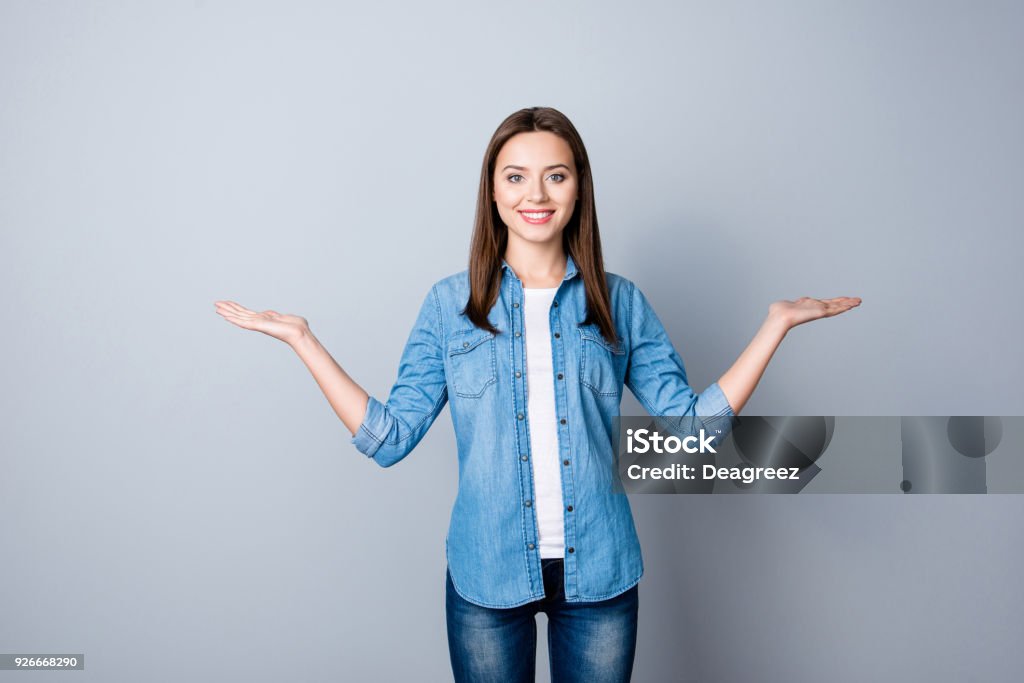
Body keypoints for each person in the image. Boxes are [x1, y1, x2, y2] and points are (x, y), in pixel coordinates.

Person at [214, 106, 860, 682]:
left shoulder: (619, 301)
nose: (536, 193)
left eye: (556, 174)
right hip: (486, 573)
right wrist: (303, 339)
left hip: (600, 574)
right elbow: (389, 439)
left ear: (579, 187)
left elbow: (693, 435)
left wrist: (774, 324)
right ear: (492, 192)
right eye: (515, 175)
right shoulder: (450, 305)